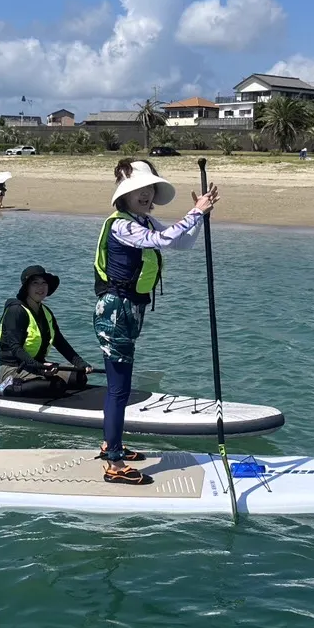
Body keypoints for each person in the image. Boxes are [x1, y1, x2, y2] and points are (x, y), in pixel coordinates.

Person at [92, 159, 218, 484]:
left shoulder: (144, 220)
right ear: (125, 194)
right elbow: (160, 241)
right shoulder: (122, 225)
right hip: (115, 312)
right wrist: (195, 212)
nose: (146, 195)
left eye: (150, 189)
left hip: (130, 311)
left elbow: (181, 242)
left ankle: (112, 444)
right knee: (119, 390)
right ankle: (114, 464)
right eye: (140, 190)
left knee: (120, 388)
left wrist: (199, 218)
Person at [0, 265, 92, 397]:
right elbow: (15, 348)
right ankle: (8, 387)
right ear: (26, 288)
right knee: (56, 386)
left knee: (79, 378)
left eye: (44, 283)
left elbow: (60, 342)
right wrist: (40, 368)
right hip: (13, 368)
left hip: (37, 365)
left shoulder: (46, 312)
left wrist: (80, 363)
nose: (40, 288)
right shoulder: (16, 311)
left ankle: (39, 379)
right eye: (35, 283)